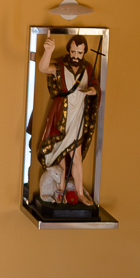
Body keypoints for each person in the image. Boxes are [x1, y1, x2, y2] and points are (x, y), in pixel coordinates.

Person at [37, 34, 99, 205]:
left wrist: (92, 91)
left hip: (77, 117)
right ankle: (60, 192)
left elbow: (96, 87)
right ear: (68, 50)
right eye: (73, 52)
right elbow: (44, 68)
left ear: (84, 52)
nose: (75, 56)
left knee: (76, 156)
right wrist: (48, 51)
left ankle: (79, 193)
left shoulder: (88, 68)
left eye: (79, 53)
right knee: (61, 156)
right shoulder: (61, 64)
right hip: (61, 117)